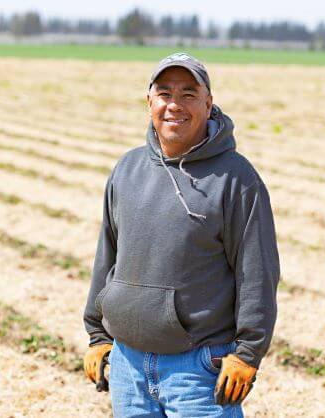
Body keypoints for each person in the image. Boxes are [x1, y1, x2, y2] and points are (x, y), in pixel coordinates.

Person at [83, 52, 280, 417]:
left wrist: (248, 353)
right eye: (165, 93)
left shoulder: (236, 179)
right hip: (127, 367)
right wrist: (98, 335)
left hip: (198, 372)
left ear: (208, 103)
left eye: (189, 94)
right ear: (149, 103)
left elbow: (257, 272)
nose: (175, 105)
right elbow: (107, 256)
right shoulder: (127, 169)